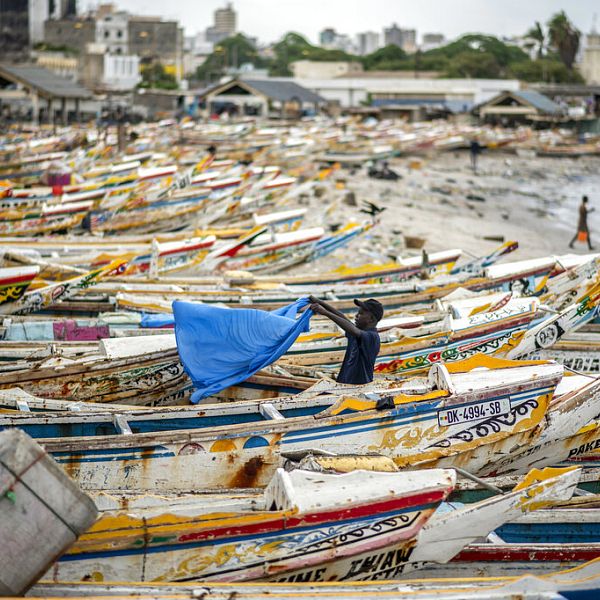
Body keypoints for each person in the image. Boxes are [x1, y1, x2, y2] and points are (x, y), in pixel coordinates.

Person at [309, 295, 382, 384]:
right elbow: (341, 317)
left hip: (359, 387)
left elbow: (353, 330)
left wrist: (325, 313)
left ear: (371, 319)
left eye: (361, 313)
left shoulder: (372, 337)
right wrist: (320, 302)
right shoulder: (357, 332)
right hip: (343, 384)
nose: (356, 316)